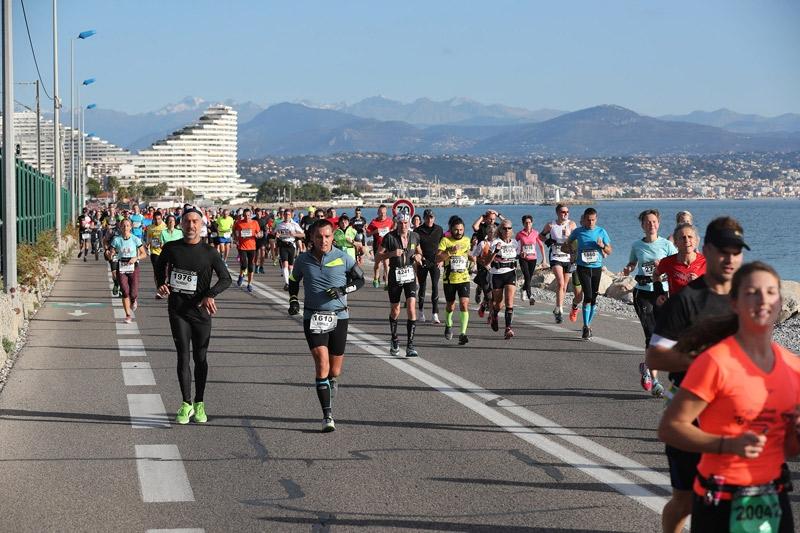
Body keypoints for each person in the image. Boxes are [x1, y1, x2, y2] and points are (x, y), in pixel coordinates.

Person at [658, 261, 799, 533]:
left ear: (780, 302)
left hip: (774, 499)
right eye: (752, 292)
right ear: (734, 303)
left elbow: (789, 448)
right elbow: (670, 428)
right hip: (721, 499)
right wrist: (728, 445)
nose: (762, 299)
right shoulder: (716, 362)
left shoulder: (793, 367)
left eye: (771, 292)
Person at [645, 216, 748, 533]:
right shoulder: (686, 300)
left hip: (734, 413)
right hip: (690, 412)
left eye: (737, 251)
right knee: (686, 501)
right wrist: (705, 362)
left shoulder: (747, 298)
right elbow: (655, 356)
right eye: (723, 251)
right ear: (707, 250)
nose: (730, 259)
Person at [156, 206, 232, 425]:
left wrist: (210, 294)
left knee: (200, 358)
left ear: (201, 225)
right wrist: (161, 285)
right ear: (181, 225)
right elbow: (159, 267)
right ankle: (186, 403)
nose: (191, 225)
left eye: (195, 222)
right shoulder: (171, 248)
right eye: (187, 221)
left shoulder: (209, 252)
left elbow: (225, 278)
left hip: (200, 312)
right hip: (178, 310)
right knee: (182, 356)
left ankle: (200, 402)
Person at [288, 219, 365, 432]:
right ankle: (327, 415)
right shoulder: (303, 260)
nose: (324, 240)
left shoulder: (343, 257)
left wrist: (343, 290)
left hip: (339, 316)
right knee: (322, 363)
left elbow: (360, 281)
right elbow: (294, 280)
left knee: (335, 370)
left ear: (333, 236)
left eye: (327, 236)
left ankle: (331, 382)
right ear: (311, 238)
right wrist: (293, 299)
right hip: (314, 317)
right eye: (319, 236)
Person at [622, 209, 677, 397]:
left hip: (662, 293)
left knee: (663, 337)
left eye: (654, 222)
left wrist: (664, 266)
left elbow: (676, 267)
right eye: (647, 222)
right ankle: (654, 382)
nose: (651, 225)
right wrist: (628, 268)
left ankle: (646, 365)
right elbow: (632, 263)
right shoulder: (637, 245)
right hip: (643, 293)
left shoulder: (667, 245)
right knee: (651, 334)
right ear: (642, 225)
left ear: (659, 224)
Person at [376, 213, 423, 357]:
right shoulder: (389, 237)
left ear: (409, 223)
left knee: (411, 308)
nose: (404, 225)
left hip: (410, 276)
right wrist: (390, 254)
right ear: (397, 223)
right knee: (395, 310)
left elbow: (420, 252)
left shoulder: (414, 236)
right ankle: (394, 338)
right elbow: (377, 256)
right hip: (395, 276)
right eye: (401, 223)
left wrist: (418, 257)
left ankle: (410, 345)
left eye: (406, 223)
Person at [567, 207, 612, 340]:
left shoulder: (601, 231)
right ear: (584, 219)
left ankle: (589, 324)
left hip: (597, 268)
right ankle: (586, 326)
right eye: (588, 220)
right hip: (582, 267)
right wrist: (571, 251)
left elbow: (610, 251)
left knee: (594, 298)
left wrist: (602, 246)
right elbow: (567, 243)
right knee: (588, 296)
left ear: (596, 219)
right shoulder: (578, 232)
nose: (591, 222)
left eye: (593, 220)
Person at [436, 216, 474, 345]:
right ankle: (448, 324)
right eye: (456, 230)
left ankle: (463, 334)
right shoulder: (445, 241)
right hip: (449, 280)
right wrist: (449, 252)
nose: (459, 232)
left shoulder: (467, 240)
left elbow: (467, 254)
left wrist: (473, 257)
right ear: (451, 229)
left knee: (464, 304)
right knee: (450, 305)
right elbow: (438, 258)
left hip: (464, 278)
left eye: (461, 229)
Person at [541, 204, 579, 324]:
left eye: (567, 211)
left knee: (564, 285)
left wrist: (572, 240)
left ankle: (557, 308)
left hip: (568, 257)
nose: (565, 214)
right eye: (563, 212)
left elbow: (578, 239)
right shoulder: (551, 225)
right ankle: (560, 310)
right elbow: (540, 236)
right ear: (557, 213)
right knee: (560, 282)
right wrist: (548, 240)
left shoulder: (572, 224)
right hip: (555, 256)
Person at [484, 220, 521, 339]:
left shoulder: (515, 243)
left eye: (509, 228)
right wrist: (495, 251)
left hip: (510, 273)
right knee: (498, 304)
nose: (507, 231)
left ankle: (508, 328)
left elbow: (520, 256)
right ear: (500, 230)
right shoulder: (495, 242)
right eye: (504, 228)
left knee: (509, 301)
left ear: (511, 230)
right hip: (497, 274)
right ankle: (494, 315)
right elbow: (487, 261)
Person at [110, 219, 147, 323]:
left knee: (133, 293)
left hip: (133, 266)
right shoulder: (116, 240)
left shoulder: (135, 239)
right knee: (125, 292)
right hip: (121, 266)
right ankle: (128, 315)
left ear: (131, 227)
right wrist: (110, 253)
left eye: (127, 226)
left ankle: (134, 299)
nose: (125, 228)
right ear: (120, 227)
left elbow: (144, 254)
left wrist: (136, 258)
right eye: (123, 226)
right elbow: (111, 251)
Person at [656, 223, 707, 298]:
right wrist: (659, 293)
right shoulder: (667, 262)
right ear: (676, 242)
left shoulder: (706, 262)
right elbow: (656, 274)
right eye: (683, 237)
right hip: (676, 307)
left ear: (696, 240)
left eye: (690, 237)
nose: (686, 240)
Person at [414, 209, 443, 324]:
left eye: (431, 217)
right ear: (424, 218)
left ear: (434, 218)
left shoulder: (439, 229)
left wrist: (441, 260)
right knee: (422, 286)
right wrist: (418, 257)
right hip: (423, 261)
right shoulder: (417, 230)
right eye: (427, 217)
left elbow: (443, 245)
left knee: (435, 286)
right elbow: (415, 245)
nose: (429, 219)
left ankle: (434, 314)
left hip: (435, 261)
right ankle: (421, 312)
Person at [516, 215, 546, 306]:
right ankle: (530, 296)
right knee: (527, 276)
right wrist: (519, 253)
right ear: (523, 224)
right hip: (523, 258)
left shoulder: (536, 233)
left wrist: (544, 259)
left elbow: (541, 246)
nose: (528, 224)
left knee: (529, 277)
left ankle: (522, 289)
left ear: (532, 223)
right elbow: (514, 246)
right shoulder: (519, 234)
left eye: (529, 222)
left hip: (533, 259)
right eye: (526, 223)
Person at [275, 208, 305, 291]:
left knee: (291, 266)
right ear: (283, 215)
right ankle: (287, 283)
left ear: (291, 215)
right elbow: (276, 233)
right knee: (285, 264)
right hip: (283, 245)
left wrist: (294, 234)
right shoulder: (280, 224)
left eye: (288, 214)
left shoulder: (294, 224)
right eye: (285, 214)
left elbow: (303, 234)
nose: (287, 216)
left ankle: (291, 281)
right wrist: (277, 235)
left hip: (291, 245)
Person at [233, 207, 262, 292]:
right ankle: (241, 275)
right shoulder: (239, 223)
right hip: (242, 247)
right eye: (245, 215)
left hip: (252, 247)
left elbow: (259, 233)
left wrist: (258, 235)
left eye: (248, 215)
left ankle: (249, 284)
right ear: (243, 216)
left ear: (251, 215)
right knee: (244, 264)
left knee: (250, 266)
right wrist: (236, 238)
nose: (247, 217)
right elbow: (234, 230)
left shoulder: (255, 222)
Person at [472, 224, 497, 319]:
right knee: (489, 295)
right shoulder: (482, 243)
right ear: (487, 232)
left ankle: (486, 309)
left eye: (494, 232)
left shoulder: (498, 243)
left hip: (495, 271)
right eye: (490, 232)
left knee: (494, 296)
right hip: (484, 271)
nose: (492, 234)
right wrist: (483, 263)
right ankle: (489, 313)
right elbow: (476, 256)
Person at [367, 205, 393, 288]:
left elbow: (394, 230)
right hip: (377, 245)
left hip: (387, 245)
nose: (382, 215)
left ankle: (387, 282)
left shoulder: (390, 221)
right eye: (381, 213)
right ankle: (376, 277)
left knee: (386, 263)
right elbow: (368, 234)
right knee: (377, 264)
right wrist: (375, 231)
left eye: (384, 213)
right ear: (378, 213)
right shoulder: (374, 222)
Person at [145, 211, 167, 296]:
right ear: (153, 219)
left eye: (159, 219)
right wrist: (147, 244)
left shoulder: (165, 226)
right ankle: (159, 289)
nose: (157, 221)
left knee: (164, 272)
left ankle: (163, 286)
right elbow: (148, 238)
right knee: (157, 271)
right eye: (155, 219)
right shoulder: (150, 227)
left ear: (161, 218)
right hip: (155, 251)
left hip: (164, 252)